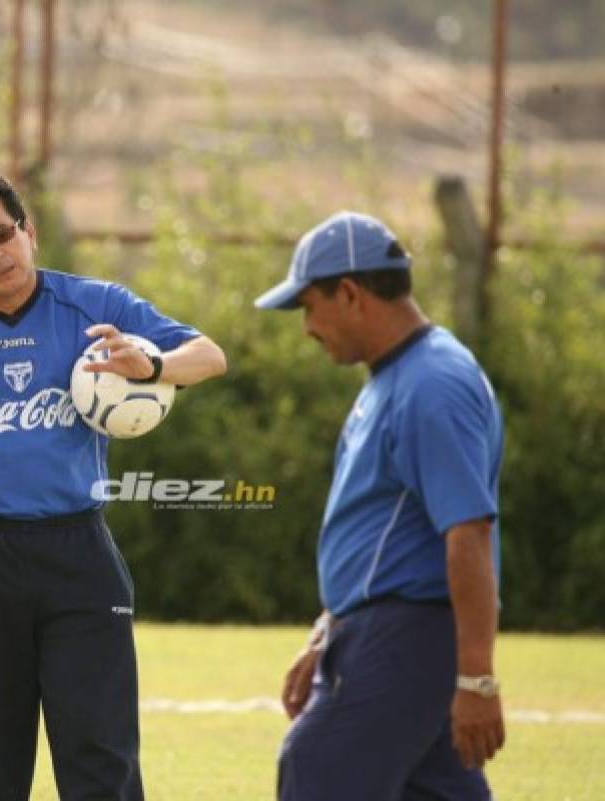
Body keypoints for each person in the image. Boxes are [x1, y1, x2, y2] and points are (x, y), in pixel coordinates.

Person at [0, 170, 227, 801]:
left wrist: (152, 365)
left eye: (2, 234)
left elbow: (209, 354)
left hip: (78, 555)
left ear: (28, 231)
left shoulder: (95, 305)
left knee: (101, 761)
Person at [254, 211, 505, 800]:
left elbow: (468, 534)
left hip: (405, 634)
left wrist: (478, 678)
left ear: (349, 292)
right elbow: (379, 534)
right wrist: (329, 631)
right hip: (383, 631)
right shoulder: (395, 379)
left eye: (309, 306)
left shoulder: (432, 384)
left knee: (316, 767)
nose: (308, 327)